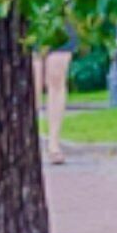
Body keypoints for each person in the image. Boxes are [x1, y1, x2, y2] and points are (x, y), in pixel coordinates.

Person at [32, 18, 76, 166]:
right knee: (33, 80)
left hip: (60, 15)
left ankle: (54, 144)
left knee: (57, 76)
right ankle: (31, 139)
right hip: (33, 14)